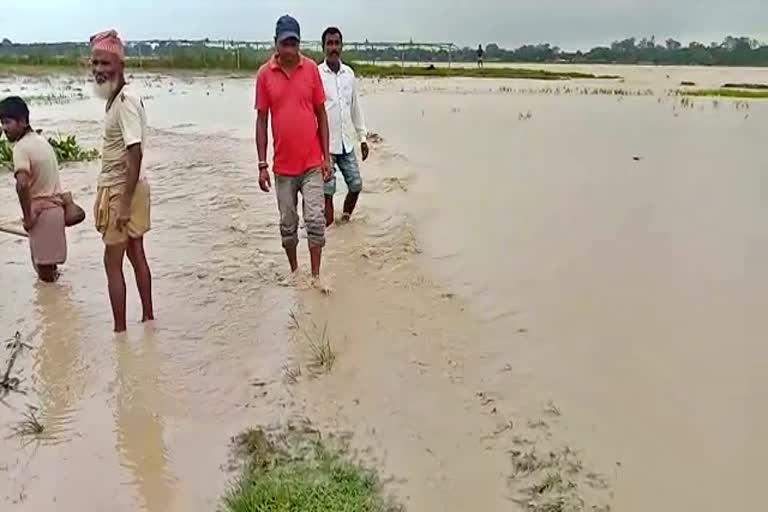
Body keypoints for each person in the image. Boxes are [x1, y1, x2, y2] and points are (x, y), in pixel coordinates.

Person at [255, 15, 331, 282]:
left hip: (311, 164)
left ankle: (315, 277)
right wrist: (262, 165)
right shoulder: (265, 74)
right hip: (283, 169)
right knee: (288, 226)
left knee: (315, 221)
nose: (289, 49)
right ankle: (295, 273)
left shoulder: (311, 69)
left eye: (293, 43)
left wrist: (326, 157)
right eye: (285, 43)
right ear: (275, 43)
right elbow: (262, 120)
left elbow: (321, 114)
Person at [90, 30, 154, 332]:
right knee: (136, 252)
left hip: (122, 190)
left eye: (105, 63)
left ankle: (119, 333)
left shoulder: (125, 101)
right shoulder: (116, 99)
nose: (99, 70)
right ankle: (148, 319)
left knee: (111, 262)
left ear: (120, 64)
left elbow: (135, 152)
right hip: (128, 187)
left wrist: (124, 204)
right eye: (95, 63)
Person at [1, 96, 66, 282]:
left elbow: (22, 184)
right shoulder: (41, 141)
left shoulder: (21, 148)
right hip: (55, 212)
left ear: (22, 121)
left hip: (41, 216)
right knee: (52, 277)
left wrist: (28, 217)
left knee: (46, 282)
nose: (4, 128)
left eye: (7, 122)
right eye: (1, 122)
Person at [319, 26, 369, 227]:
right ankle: (328, 232)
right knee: (327, 192)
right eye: (329, 43)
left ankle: (345, 222)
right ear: (323, 47)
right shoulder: (316, 74)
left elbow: (355, 107)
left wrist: (363, 137)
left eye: (336, 43)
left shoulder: (349, 74)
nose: (333, 47)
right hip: (325, 146)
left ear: (341, 46)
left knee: (356, 185)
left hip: (346, 143)